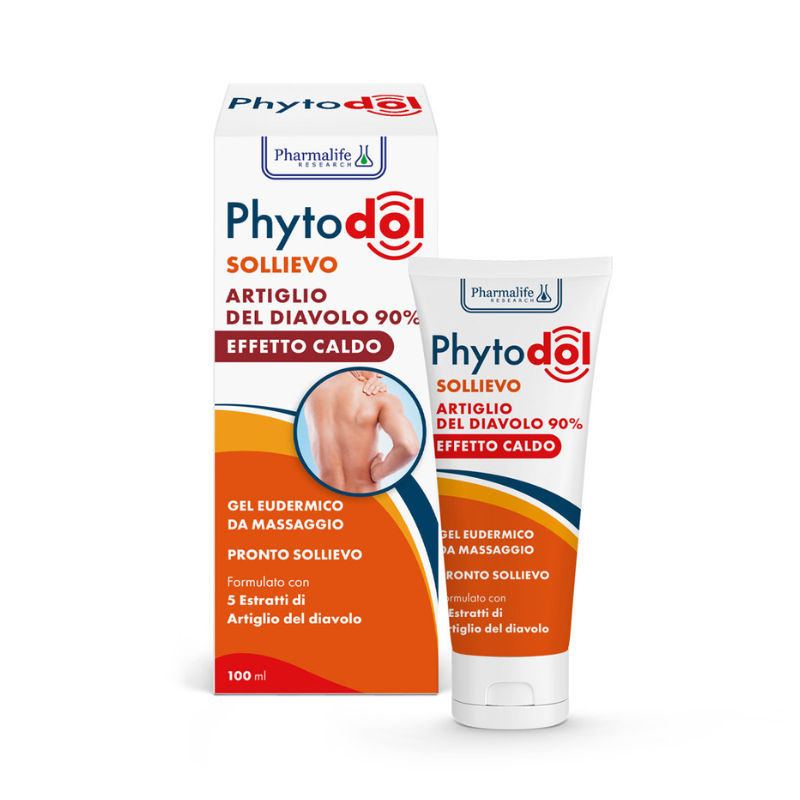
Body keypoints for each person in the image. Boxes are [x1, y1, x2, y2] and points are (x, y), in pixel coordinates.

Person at [303, 370, 420, 494]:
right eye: (377, 369)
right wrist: (377, 473)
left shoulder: (310, 395)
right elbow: (409, 447)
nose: (380, 376)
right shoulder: (381, 399)